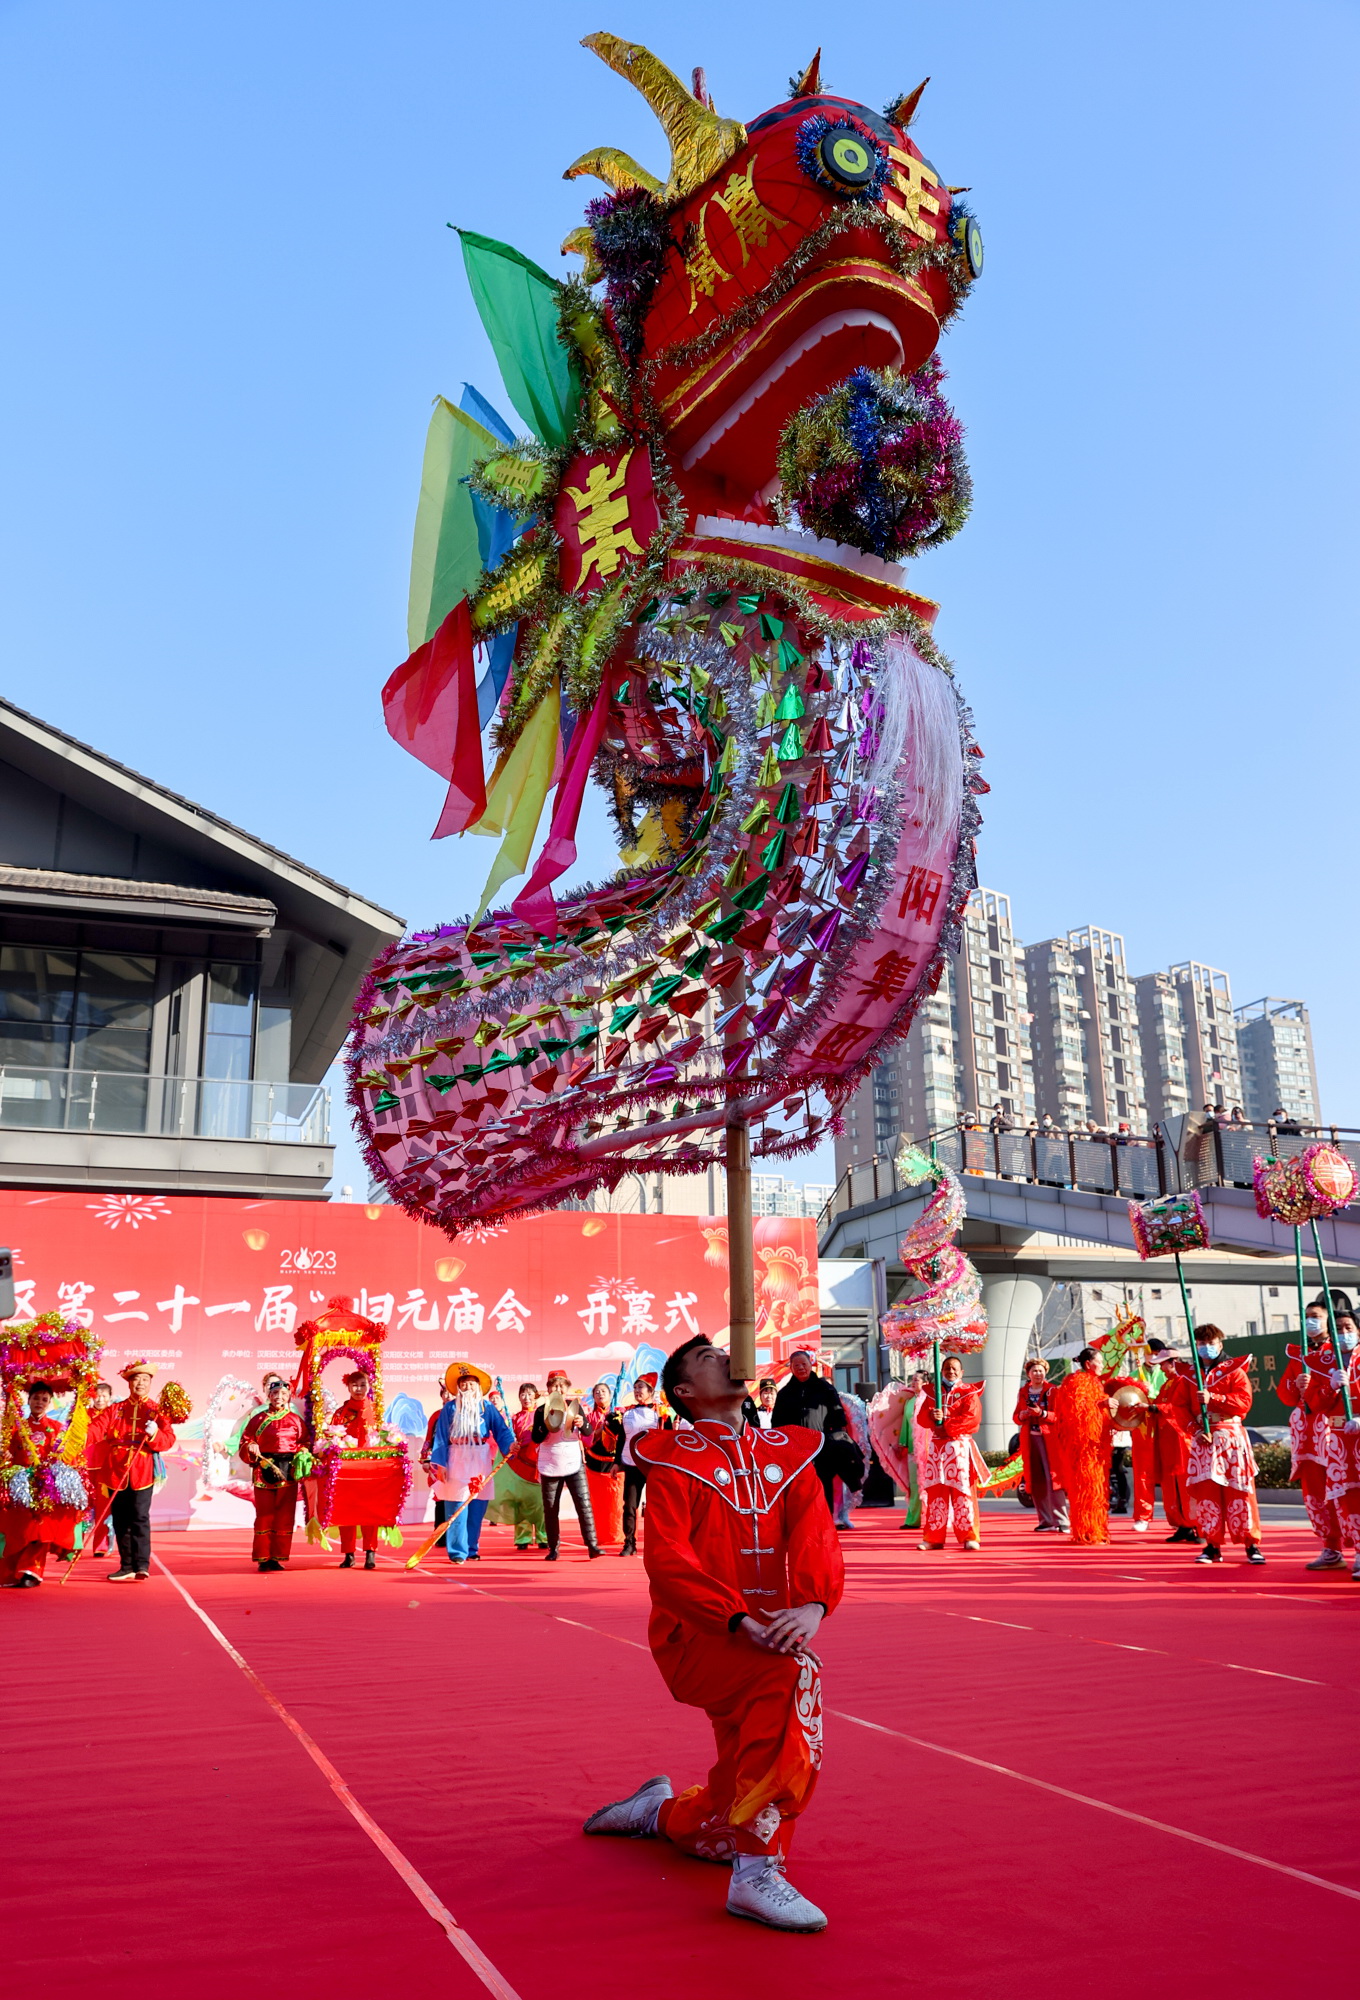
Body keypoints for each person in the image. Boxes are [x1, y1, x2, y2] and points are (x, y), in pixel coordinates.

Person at [583, 1332, 844, 1933]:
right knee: (794, 1677)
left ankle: (663, 1813)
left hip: (772, 1630)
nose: (729, 1359)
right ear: (683, 1391)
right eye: (709, 1360)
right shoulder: (673, 1457)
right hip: (700, 1635)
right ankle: (757, 1874)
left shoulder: (790, 1451)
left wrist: (812, 1606)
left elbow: (814, 1533)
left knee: (725, 1815)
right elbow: (669, 1561)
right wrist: (735, 1620)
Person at [1174, 1326, 1264, 1566]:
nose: (1206, 1346)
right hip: (1204, 1438)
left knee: (1241, 1491)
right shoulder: (1189, 1375)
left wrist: (1214, 1398)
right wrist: (1195, 1430)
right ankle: (1212, 1545)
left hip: (1231, 1436)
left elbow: (1244, 1403)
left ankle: (1251, 1544)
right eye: (1201, 1342)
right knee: (1207, 1493)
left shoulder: (1234, 1371)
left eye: (1210, 1341)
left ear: (1220, 1343)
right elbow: (1179, 1407)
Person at [91, 1361, 177, 1581]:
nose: (140, 1383)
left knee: (139, 1517)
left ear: (150, 1384)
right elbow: (95, 1429)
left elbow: (168, 1440)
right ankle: (126, 1565)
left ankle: (142, 1565)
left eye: (145, 1380)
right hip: (115, 1471)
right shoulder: (115, 1409)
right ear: (129, 1383)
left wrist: (155, 1434)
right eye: (136, 1379)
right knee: (120, 1519)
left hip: (142, 1470)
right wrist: (76, 1435)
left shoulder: (157, 1411)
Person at [0, 1381, 85, 1587]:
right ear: (28, 1401)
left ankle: (31, 1570)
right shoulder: (13, 1427)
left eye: (44, 1399)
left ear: (49, 1403)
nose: (39, 1402)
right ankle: (10, 1572)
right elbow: (5, 1456)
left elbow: (67, 1458)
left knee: (41, 1527)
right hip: (19, 1485)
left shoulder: (57, 1429)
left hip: (46, 1486)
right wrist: (6, 1457)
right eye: (36, 1398)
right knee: (16, 1527)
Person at [429, 1362, 515, 1563]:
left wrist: (510, 1445)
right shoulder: (450, 1408)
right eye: (464, 1384)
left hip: (480, 1458)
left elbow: (501, 1430)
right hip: (456, 1457)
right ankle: (457, 1552)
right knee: (457, 1507)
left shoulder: (487, 1408)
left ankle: (471, 1548)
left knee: (477, 1506)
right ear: (458, 1387)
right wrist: (440, 1464)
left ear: (478, 1386)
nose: (468, 1387)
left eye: (472, 1383)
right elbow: (440, 1438)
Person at [1280, 1318, 1342, 1569]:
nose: (1310, 1322)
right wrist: (1297, 1386)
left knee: (1345, 1487)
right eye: (1306, 1316)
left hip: (1334, 1427)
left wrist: (1322, 1387)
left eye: (1316, 1316)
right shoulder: (1298, 1356)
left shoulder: (1340, 1353)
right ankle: (1331, 1547)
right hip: (1306, 1432)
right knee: (1315, 1491)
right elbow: (1285, 1395)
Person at [532, 1370, 602, 1561]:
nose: (558, 1388)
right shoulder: (541, 1411)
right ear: (548, 1389)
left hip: (573, 1460)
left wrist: (582, 1423)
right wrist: (545, 1424)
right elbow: (535, 1438)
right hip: (550, 1460)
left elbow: (588, 1431)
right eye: (554, 1385)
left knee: (584, 1504)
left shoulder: (574, 1406)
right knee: (551, 1507)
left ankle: (592, 1545)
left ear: (567, 1388)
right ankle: (553, 1548)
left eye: (562, 1385)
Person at [915, 1355, 983, 1550]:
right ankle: (933, 1537)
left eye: (954, 1368)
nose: (950, 1372)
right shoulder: (931, 1393)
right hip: (937, 1450)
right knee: (936, 1492)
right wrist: (931, 1416)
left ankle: (969, 1536)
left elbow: (972, 1419)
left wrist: (944, 1423)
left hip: (959, 1448)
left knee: (964, 1493)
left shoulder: (970, 1392)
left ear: (961, 1372)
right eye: (946, 1368)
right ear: (941, 1371)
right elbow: (922, 1420)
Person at [239, 1375, 305, 1571]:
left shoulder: (296, 1420)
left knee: (284, 1516)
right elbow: (245, 1440)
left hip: (288, 1471)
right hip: (264, 1470)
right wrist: (251, 1446)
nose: (279, 1397)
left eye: (283, 1393)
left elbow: (305, 1442)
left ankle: (277, 1557)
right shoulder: (258, 1419)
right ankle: (262, 1557)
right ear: (269, 1395)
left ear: (288, 1397)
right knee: (265, 1515)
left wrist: (302, 1451)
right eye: (275, 1393)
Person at [772, 1351, 848, 1513]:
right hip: (794, 1450)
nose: (801, 1368)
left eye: (804, 1364)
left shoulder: (826, 1389)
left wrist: (831, 1439)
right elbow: (776, 1424)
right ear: (791, 1368)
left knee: (822, 1483)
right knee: (797, 1487)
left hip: (822, 1446)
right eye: (796, 1365)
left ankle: (825, 1521)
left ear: (810, 1364)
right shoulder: (784, 1394)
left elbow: (838, 1418)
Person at [1052, 1348, 1114, 1545]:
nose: (1103, 1364)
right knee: (1085, 1489)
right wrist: (1102, 1404)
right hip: (1082, 1446)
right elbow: (1076, 1411)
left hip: (1095, 1447)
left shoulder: (1096, 1383)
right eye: (1100, 1361)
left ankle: (1094, 1529)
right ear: (1088, 1364)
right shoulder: (1075, 1381)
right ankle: (1085, 1530)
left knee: (1097, 1489)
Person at [1314, 1318, 1360, 1578]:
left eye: (1348, 1328)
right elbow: (1314, 1404)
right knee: (1348, 1498)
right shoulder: (1324, 1363)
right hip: (1340, 1440)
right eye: (1338, 1330)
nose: (1343, 1334)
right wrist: (1330, 1387)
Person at [1147, 1339, 1199, 1543]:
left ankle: (1195, 1525)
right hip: (1167, 1439)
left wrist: (1155, 1408)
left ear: (1173, 1362)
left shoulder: (1184, 1381)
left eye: (1163, 1364)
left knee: (1185, 1483)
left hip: (1181, 1439)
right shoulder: (1167, 1383)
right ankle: (1181, 1524)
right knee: (1170, 1484)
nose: (1161, 1367)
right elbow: (1161, 1403)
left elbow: (1179, 1408)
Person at [487, 1382, 548, 1551]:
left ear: (535, 1396)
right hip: (520, 1465)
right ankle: (523, 1537)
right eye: (523, 1395)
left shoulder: (543, 1414)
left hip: (539, 1464)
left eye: (529, 1394)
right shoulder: (514, 1418)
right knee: (522, 1501)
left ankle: (544, 1536)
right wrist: (512, 1445)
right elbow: (506, 1439)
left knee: (542, 1501)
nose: (526, 1398)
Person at [332, 1368, 383, 1569]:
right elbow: (332, 1438)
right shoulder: (341, 1413)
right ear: (348, 1387)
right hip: (347, 1469)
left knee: (370, 1511)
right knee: (347, 1512)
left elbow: (385, 1436)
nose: (358, 1389)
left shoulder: (376, 1411)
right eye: (354, 1385)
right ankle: (349, 1553)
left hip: (371, 1469)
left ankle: (371, 1552)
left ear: (369, 1386)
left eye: (362, 1385)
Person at [606, 1372, 661, 1556]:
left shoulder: (660, 1413)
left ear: (650, 1391)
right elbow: (622, 1439)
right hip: (631, 1463)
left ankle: (657, 1545)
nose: (637, 1391)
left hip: (653, 1466)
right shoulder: (627, 1413)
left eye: (641, 1388)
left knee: (655, 1508)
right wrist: (616, 1463)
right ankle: (629, 1543)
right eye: (635, 1387)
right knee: (629, 1505)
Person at [1013, 1358, 1068, 1532]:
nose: (1038, 1374)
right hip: (1030, 1438)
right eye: (1034, 1371)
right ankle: (1045, 1520)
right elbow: (1015, 1416)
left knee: (1053, 1478)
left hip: (1049, 1439)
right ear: (1028, 1374)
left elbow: (1059, 1416)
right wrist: (1022, 1415)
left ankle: (1062, 1520)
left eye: (1041, 1370)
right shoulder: (1023, 1392)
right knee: (1035, 1480)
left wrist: (1042, 1413)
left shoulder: (1053, 1390)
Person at [583, 1382, 625, 1547]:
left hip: (616, 1464)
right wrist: (602, 1429)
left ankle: (620, 1534)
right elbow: (586, 1440)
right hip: (596, 1465)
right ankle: (599, 1536)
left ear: (610, 1394)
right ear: (593, 1397)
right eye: (597, 1392)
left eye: (603, 1391)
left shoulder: (621, 1412)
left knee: (618, 1502)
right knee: (598, 1503)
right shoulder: (590, 1417)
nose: (600, 1394)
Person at [83, 1379, 115, 1558]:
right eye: (97, 1395)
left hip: (106, 1468)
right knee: (82, 1507)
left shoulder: (114, 1415)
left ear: (110, 1398)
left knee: (104, 1508)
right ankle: (74, 1545)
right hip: (85, 1467)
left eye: (104, 1396)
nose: (100, 1399)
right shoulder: (83, 1414)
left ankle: (101, 1546)